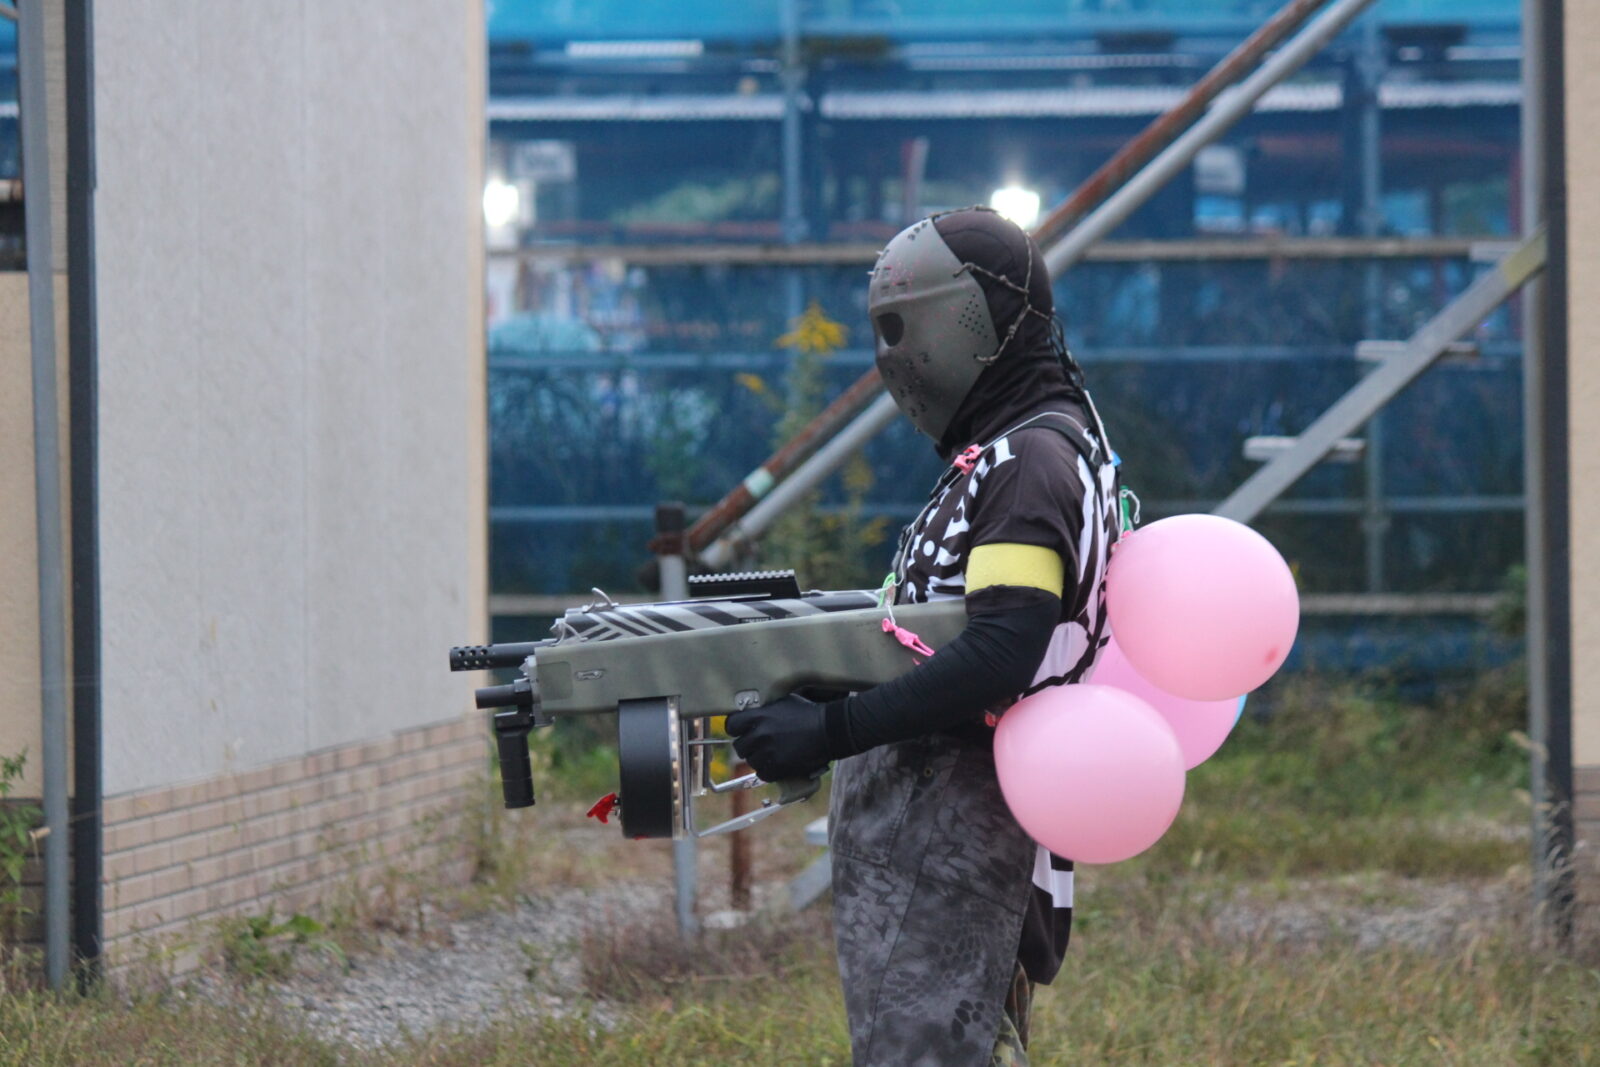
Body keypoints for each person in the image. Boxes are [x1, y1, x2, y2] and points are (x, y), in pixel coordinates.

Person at [726, 206, 1120, 1066]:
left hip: (959, 838)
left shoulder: (1029, 461)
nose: (892, 358)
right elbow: (936, 635)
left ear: (971, 321)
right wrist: (830, 677)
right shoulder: (1020, 449)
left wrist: (831, 729)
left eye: (904, 329)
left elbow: (1001, 651)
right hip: (946, 839)